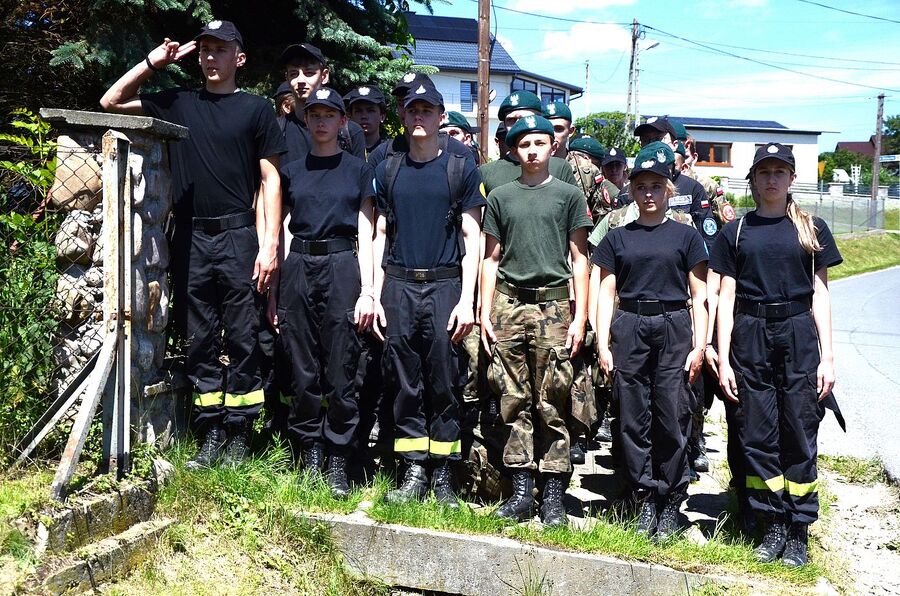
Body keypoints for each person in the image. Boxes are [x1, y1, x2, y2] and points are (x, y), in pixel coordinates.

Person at [99, 20, 286, 468]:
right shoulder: (179, 102)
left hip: (240, 235)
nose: (209, 56)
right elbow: (110, 102)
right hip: (191, 237)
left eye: (220, 49)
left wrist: (270, 244)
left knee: (243, 337)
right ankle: (211, 431)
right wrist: (152, 63)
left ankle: (240, 433)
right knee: (200, 338)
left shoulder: (257, 110)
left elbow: (270, 178)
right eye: (204, 48)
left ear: (238, 57)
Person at [713, 143, 842, 567]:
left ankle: (798, 529)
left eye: (779, 171)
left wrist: (827, 357)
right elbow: (725, 296)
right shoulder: (736, 231)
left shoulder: (812, 228)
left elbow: (820, 293)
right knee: (758, 434)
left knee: (800, 432)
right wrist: (725, 355)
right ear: (752, 179)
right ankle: (770, 524)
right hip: (750, 334)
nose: (772, 179)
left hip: (797, 333)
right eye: (764, 172)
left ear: (791, 178)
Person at [372, 84, 484, 507]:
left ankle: (443, 476)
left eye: (427, 110)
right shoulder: (389, 169)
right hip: (399, 284)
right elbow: (380, 233)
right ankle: (414, 468)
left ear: (441, 116)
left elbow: (472, 236)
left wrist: (466, 300)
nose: (419, 116)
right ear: (403, 116)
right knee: (404, 380)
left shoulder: (460, 169)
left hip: (444, 285)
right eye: (412, 109)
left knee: (445, 379)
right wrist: (373, 291)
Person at [592, 143, 708, 541]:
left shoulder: (686, 237)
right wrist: (604, 344)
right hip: (630, 325)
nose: (648, 194)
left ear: (668, 190)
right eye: (641, 186)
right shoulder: (617, 238)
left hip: (675, 325)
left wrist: (700, 343)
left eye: (656, 186)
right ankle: (644, 498)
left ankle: (671, 500)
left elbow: (701, 294)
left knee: (671, 414)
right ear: (632, 189)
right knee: (632, 415)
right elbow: (605, 293)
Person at [480, 115, 591, 526]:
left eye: (539, 143)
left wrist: (580, 316)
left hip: (554, 308)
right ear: (513, 149)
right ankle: (522, 489)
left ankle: (553, 494)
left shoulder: (568, 196)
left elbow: (580, 258)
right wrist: (485, 311)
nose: (531, 150)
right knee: (512, 398)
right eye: (523, 143)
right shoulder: (501, 197)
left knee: (554, 399)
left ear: (552, 147)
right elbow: (490, 260)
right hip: (509, 306)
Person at [273, 87, 376, 497]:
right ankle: (310, 453)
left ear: (342, 122)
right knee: (302, 367)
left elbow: (368, 230)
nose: (320, 121)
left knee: (341, 366)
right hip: (298, 263)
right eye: (313, 114)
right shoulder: (292, 170)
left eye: (329, 115)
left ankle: (338, 459)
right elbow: (280, 228)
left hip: (341, 266)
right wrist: (274, 289)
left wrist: (368, 289)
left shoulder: (358, 170)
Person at [279, 43, 366, 164]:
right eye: (294, 74)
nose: (301, 80)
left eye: (309, 73)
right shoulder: (278, 129)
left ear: (324, 76)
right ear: (287, 78)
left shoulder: (350, 132)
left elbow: (359, 177)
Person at [479, 91, 577, 196]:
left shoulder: (560, 167)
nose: (518, 125)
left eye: (525, 119)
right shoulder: (487, 172)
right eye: (511, 120)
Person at [344, 84, 387, 156]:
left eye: (370, 111)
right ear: (350, 116)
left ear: (382, 116)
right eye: (358, 111)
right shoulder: (343, 152)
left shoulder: (390, 152)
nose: (364, 116)